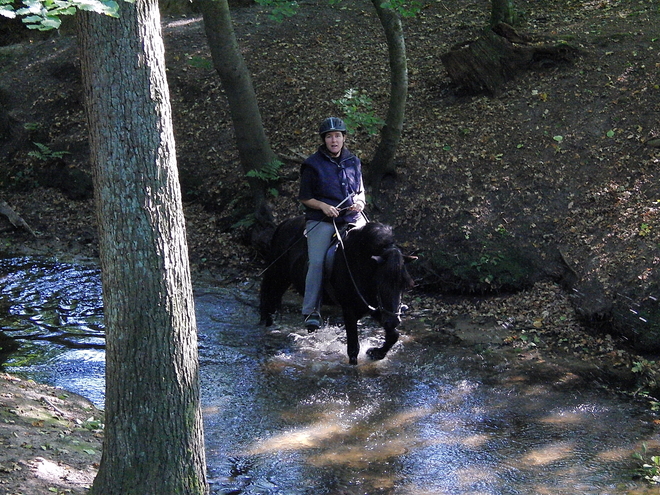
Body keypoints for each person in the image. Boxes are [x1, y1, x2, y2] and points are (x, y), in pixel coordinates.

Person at [298, 117, 367, 331]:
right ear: (324, 140)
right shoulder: (312, 164)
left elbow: (361, 191)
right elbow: (305, 197)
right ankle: (311, 311)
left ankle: (376, 302)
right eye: (329, 137)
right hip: (322, 219)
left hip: (352, 218)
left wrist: (360, 202)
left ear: (344, 138)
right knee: (317, 262)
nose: (334, 140)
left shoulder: (353, 161)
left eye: (337, 136)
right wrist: (322, 206)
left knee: (376, 250)